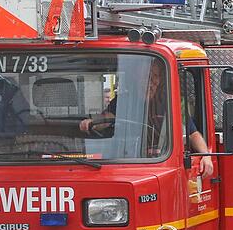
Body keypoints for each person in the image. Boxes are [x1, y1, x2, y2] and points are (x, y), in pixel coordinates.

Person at [79, 61, 213, 177]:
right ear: (137, 79)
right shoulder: (123, 101)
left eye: (155, 77)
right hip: (126, 163)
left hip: (160, 163)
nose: (151, 82)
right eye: (146, 77)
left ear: (160, 80)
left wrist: (206, 156)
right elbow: (106, 118)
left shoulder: (169, 102)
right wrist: (91, 123)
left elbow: (192, 133)